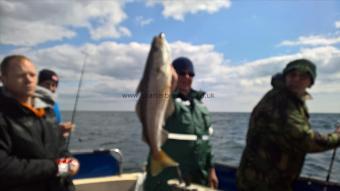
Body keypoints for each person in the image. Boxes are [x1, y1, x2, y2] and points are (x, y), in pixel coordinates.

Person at [237, 59, 340, 191]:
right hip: (262, 183)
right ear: (285, 77)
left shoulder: (291, 99)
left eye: (303, 76)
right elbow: (305, 140)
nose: (296, 79)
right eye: (292, 75)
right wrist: (337, 136)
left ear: (310, 82)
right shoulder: (282, 101)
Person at [0, 55, 79, 191]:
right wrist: (57, 167)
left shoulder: (47, 110)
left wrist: (70, 160)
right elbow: (4, 168)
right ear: (3, 79)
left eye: (32, 74)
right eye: (20, 75)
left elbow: (59, 147)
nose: (28, 79)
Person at [143, 57, 218, 190]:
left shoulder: (200, 107)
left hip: (198, 180)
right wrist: (167, 82)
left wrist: (211, 170)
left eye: (191, 74)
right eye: (181, 73)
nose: (187, 76)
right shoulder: (164, 101)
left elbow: (206, 143)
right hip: (167, 181)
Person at [38, 69, 75, 138]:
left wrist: (63, 131)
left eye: (54, 85)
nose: (50, 88)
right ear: (38, 84)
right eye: (47, 84)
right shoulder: (31, 102)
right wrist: (57, 130)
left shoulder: (54, 104)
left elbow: (55, 124)